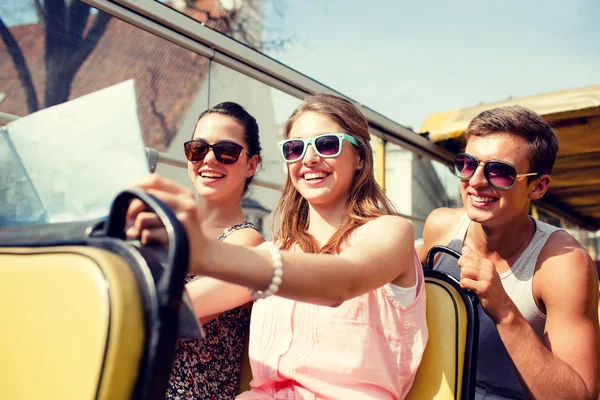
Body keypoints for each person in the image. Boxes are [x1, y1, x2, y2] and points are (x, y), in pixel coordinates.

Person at [127, 94, 428, 399]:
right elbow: (173, 308)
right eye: (295, 149)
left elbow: (343, 279)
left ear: (360, 157)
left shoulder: (391, 232)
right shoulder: (278, 250)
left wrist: (205, 252)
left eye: (327, 144)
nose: (308, 159)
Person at [419, 106, 600, 399]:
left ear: (538, 186)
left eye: (500, 172)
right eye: (467, 164)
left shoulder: (563, 263)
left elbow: (579, 396)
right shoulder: (441, 227)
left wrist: (504, 311)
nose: (475, 181)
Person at [127, 102, 264, 399]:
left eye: (226, 151)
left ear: (251, 165)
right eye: (198, 148)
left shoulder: (248, 243)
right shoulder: (166, 226)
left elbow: (168, 315)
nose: (209, 160)